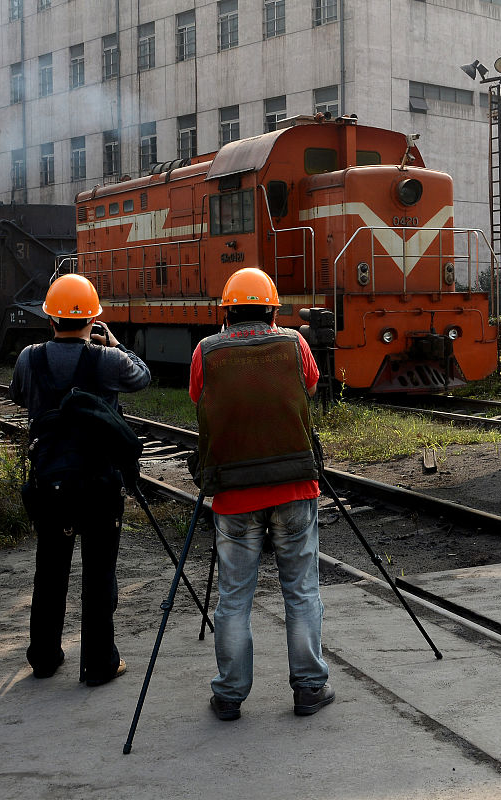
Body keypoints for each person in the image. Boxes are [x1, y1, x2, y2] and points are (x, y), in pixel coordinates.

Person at [189, 267, 333, 721]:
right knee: (302, 591)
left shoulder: (205, 351)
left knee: (234, 597)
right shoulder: (294, 343)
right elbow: (308, 387)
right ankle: (309, 689)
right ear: (273, 308)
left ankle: (230, 695)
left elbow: (199, 398)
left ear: (227, 311)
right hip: (295, 485)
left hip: (233, 495)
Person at [10, 273, 150, 686]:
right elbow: (142, 377)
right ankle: (99, 664)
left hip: (49, 483)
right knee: (99, 572)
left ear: (49, 318)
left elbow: (21, 396)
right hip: (99, 483)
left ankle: (44, 657)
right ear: (93, 320)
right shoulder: (106, 360)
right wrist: (115, 345)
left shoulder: (29, 358)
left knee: (50, 570)